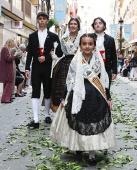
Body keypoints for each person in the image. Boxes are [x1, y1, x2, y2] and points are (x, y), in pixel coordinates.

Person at [50, 34, 115, 166]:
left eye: (90, 44)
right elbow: (70, 80)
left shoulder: (98, 60)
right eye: (84, 44)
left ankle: (91, 154)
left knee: (93, 123)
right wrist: (63, 98)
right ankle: (79, 146)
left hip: (96, 96)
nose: (87, 46)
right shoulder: (76, 60)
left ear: (94, 45)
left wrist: (108, 97)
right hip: (78, 94)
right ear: (80, 46)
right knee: (79, 121)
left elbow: (104, 81)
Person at [25, 12, 63, 129]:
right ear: (37, 20)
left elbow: (59, 52)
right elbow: (30, 54)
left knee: (47, 91)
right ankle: (36, 120)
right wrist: (27, 68)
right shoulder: (32, 36)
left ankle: (47, 115)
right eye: (40, 19)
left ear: (47, 21)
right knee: (35, 92)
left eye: (44, 19)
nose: (42, 20)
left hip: (48, 68)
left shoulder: (53, 36)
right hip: (36, 67)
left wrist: (47, 57)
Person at [51, 17, 82, 112]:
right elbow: (60, 53)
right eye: (71, 24)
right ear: (68, 26)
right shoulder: (64, 38)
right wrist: (54, 53)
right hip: (65, 65)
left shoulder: (82, 37)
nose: (73, 26)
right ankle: (63, 110)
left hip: (78, 63)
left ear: (78, 26)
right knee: (63, 86)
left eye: (75, 24)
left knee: (77, 86)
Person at [91, 17, 117, 88]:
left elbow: (114, 56)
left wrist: (114, 71)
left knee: (106, 90)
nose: (97, 25)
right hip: (92, 68)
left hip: (106, 68)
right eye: (95, 23)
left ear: (104, 26)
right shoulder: (90, 37)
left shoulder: (110, 39)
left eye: (100, 23)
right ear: (93, 26)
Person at [0, 39, 18, 103]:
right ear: (10, 43)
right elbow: (8, 59)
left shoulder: (5, 49)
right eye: (13, 43)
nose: (13, 45)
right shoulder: (5, 49)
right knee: (8, 83)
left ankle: (7, 98)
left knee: (7, 84)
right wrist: (14, 55)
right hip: (7, 70)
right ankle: (5, 99)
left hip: (7, 69)